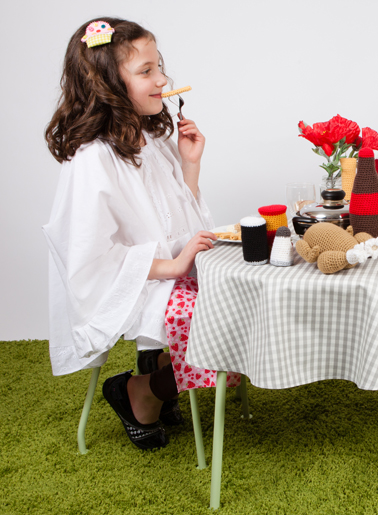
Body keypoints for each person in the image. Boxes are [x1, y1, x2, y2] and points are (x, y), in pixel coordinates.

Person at [43, 18, 238, 450]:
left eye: (159, 67)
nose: (163, 79)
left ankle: (157, 373)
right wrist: (171, 265)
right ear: (107, 84)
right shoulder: (93, 157)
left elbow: (173, 218)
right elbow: (89, 256)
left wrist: (190, 164)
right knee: (223, 319)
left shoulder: (148, 137)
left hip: (164, 272)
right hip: (132, 284)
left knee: (245, 297)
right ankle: (141, 392)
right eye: (146, 71)